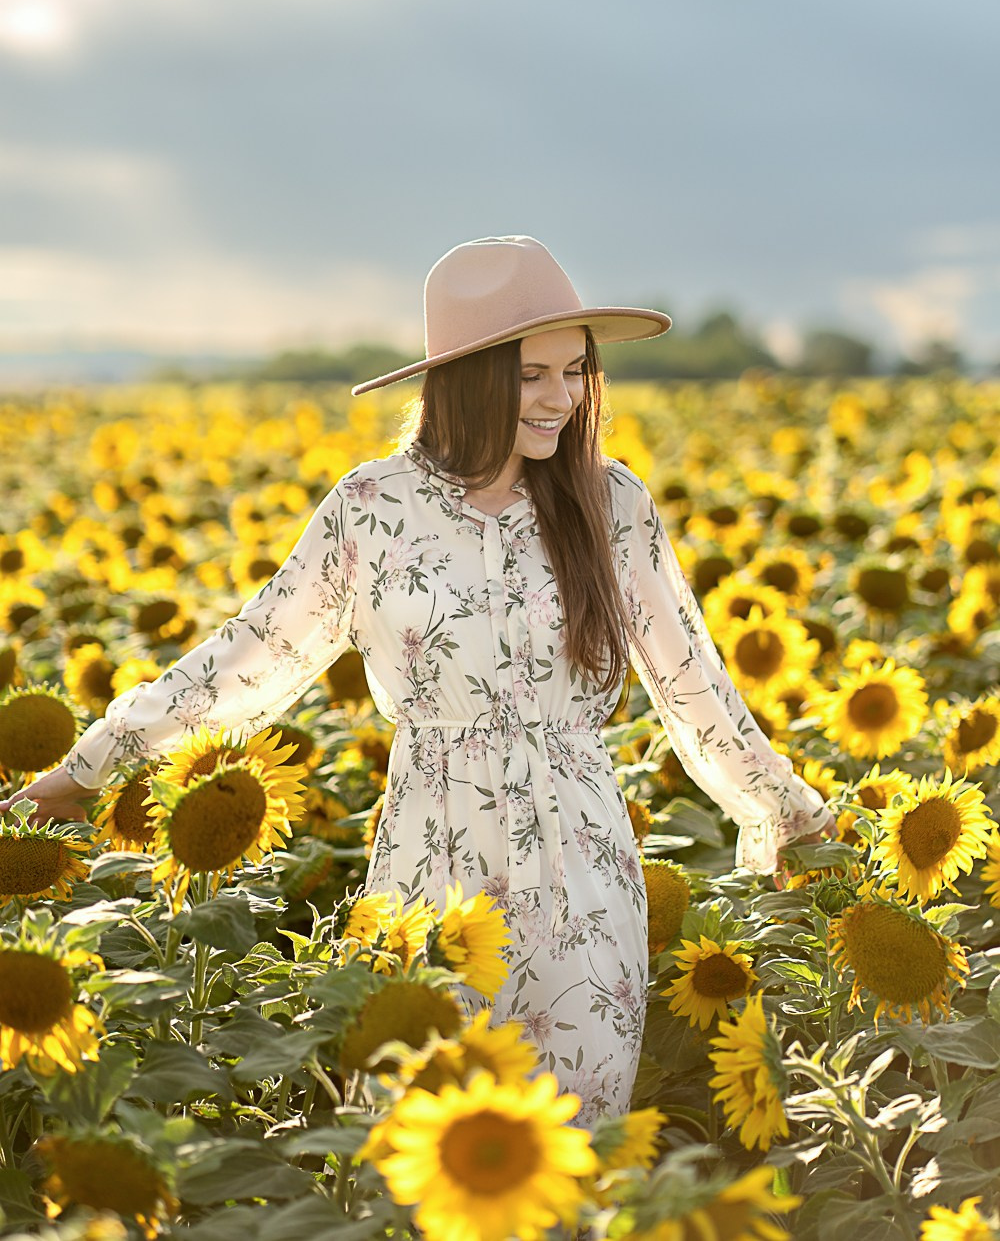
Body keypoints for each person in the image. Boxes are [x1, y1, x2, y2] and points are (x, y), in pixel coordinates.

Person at [1, 235, 835, 1124]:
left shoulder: (610, 501)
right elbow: (251, 657)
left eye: (575, 371)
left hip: (583, 872)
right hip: (430, 857)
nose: (563, 398)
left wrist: (787, 810)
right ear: (468, 378)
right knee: (413, 1133)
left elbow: (692, 678)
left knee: (573, 1150)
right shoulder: (372, 508)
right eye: (532, 375)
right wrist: (92, 765)